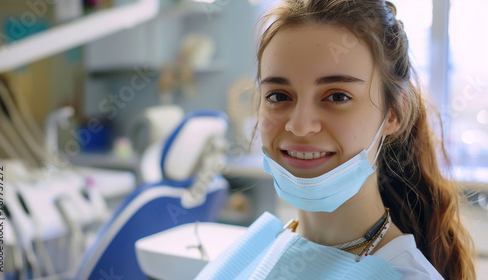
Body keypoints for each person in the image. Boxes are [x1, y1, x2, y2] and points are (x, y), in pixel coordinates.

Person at [196, 0, 476, 279]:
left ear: (394, 113)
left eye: (337, 96)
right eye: (279, 96)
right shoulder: (261, 245)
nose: (299, 126)